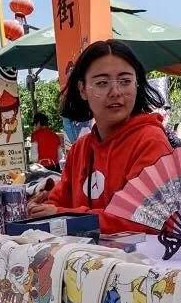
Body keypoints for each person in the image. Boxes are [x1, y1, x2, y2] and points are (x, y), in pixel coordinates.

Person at [27, 39, 172, 234]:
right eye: (102, 83)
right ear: (82, 89)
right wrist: (39, 210)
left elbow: (145, 219)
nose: (116, 92)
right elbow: (56, 203)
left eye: (125, 81)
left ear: (136, 85)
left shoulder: (150, 141)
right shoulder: (79, 149)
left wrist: (62, 215)